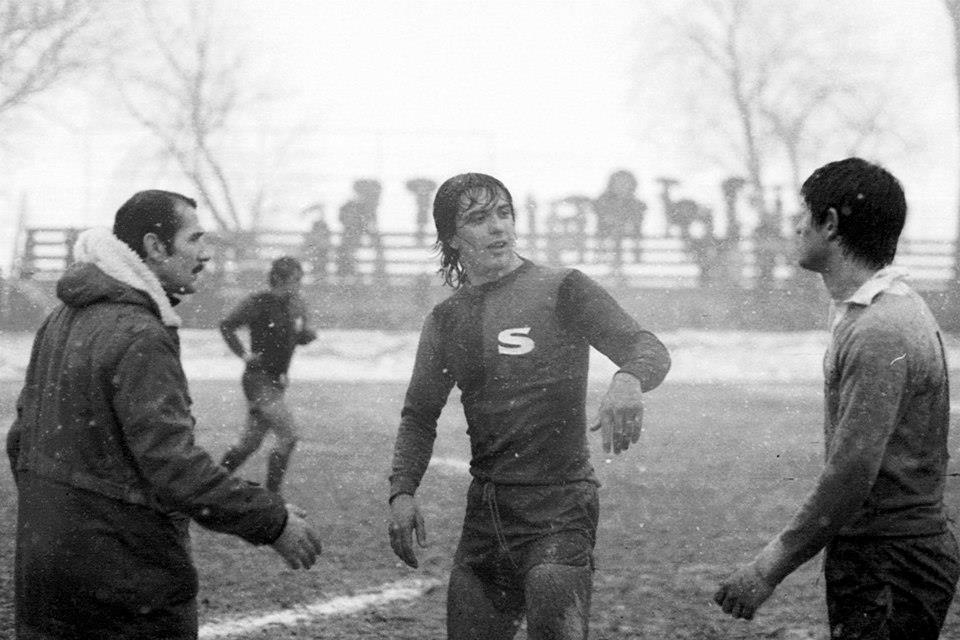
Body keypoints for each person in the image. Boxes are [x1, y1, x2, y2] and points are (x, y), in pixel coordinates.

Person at [7, 190, 322, 640]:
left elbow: (22, 440)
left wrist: (63, 521)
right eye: (194, 240)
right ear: (155, 247)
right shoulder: (140, 333)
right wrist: (272, 521)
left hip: (45, 573)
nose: (205, 254)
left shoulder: (60, 318)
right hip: (125, 585)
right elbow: (173, 467)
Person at [387, 173, 671, 640]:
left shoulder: (562, 289)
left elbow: (648, 348)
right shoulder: (446, 319)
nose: (498, 227)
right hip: (486, 516)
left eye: (504, 213)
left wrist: (628, 378)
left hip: (558, 509)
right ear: (453, 238)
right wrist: (402, 491)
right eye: (479, 219)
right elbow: (419, 414)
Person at [714, 158, 960, 639]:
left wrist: (768, 568)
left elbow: (852, 472)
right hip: (888, 551)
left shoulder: (880, 329)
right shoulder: (877, 311)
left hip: (891, 559)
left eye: (804, 213)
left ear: (830, 224)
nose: (795, 225)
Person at [219, 256, 316, 495]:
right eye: (295, 279)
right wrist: (244, 354)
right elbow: (227, 325)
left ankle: (209, 486)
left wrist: (306, 325)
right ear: (279, 279)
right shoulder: (259, 302)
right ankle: (273, 495)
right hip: (259, 379)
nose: (299, 285)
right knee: (289, 436)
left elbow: (297, 338)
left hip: (275, 380)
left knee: (249, 443)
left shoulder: (292, 305)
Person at [594, 170, 647, 268]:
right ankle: (614, 260)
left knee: (618, 233)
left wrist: (630, 223)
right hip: (608, 231)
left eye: (625, 182)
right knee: (615, 234)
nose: (622, 186)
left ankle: (620, 260)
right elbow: (600, 213)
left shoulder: (634, 202)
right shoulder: (604, 199)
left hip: (624, 231)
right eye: (619, 182)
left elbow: (637, 215)